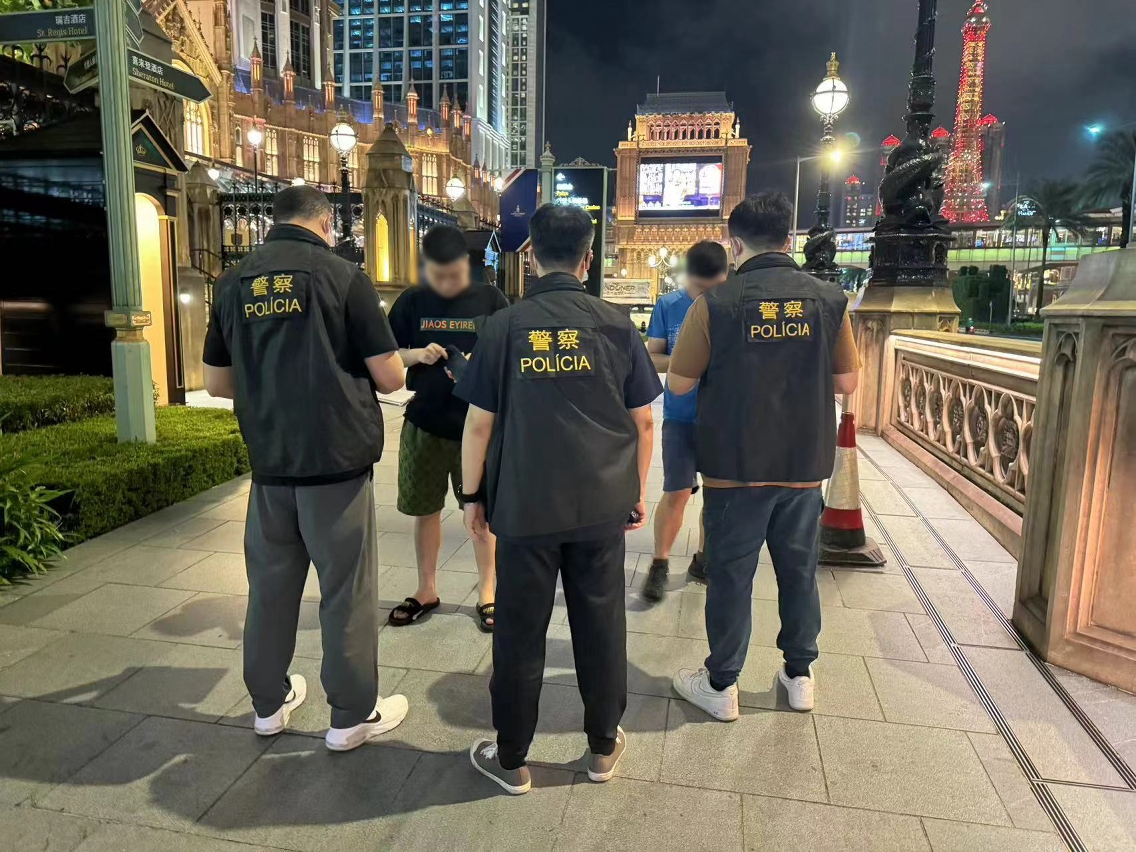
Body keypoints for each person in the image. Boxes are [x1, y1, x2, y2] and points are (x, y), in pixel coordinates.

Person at [454, 204, 662, 795]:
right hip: (600, 504)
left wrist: (471, 496)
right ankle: (602, 750)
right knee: (601, 625)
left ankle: (512, 760)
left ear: (531, 257)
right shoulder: (616, 325)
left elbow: (478, 426)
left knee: (519, 630)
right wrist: (634, 491)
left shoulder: (504, 327)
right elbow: (644, 421)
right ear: (588, 258)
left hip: (524, 506)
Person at [202, 185, 410, 751]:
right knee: (345, 591)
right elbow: (391, 376)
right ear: (325, 224)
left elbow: (216, 382)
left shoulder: (232, 282)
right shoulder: (343, 277)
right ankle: (350, 718)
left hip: (270, 464)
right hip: (335, 465)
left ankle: (268, 707)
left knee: (270, 587)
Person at [667, 191, 860, 719]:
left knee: (731, 575)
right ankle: (800, 676)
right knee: (799, 571)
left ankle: (721, 684)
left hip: (735, 466)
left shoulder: (716, 303)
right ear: (788, 239)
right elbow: (846, 382)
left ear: (734, 245)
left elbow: (680, 384)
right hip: (802, 464)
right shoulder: (829, 300)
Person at [386, 225, 510, 632]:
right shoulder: (412, 300)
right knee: (425, 510)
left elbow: (509, 355)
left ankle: (488, 591)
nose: (446, 283)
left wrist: (479, 363)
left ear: (466, 264)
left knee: (481, 514)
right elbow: (386, 355)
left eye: (453, 274)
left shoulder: (491, 299)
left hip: (478, 428)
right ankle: (426, 589)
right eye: (437, 276)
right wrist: (416, 354)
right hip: (425, 422)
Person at [640, 240, 728, 602]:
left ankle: (704, 559)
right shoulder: (669, 305)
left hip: (723, 417)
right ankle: (660, 562)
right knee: (676, 490)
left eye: (713, 288)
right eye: (699, 288)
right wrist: (690, 362)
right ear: (687, 276)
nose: (705, 295)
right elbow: (653, 357)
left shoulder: (733, 305)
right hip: (680, 415)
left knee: (718, 492)